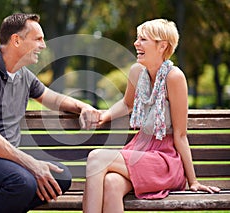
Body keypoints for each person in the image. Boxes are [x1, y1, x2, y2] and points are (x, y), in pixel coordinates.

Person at [0, 13, 100, 213]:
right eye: (38, 39)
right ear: (16, 40)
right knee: (23, 183)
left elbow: (53, 98)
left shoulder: (23, 75)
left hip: (4, 160)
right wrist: (31, 163)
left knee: (60, 177)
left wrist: (83, 107)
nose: (43, 46)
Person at [82, 19, 220, 213]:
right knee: (111, 183)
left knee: (96, 158)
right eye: (137, 38)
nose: (136, 43)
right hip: (140, 150)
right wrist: (104, 116)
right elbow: (127, 104)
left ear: (162, 45)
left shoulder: (174, 77)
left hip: (164, 160)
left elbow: (180, 135)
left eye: (143, 39)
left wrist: (193, 181)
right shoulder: (137, 72)